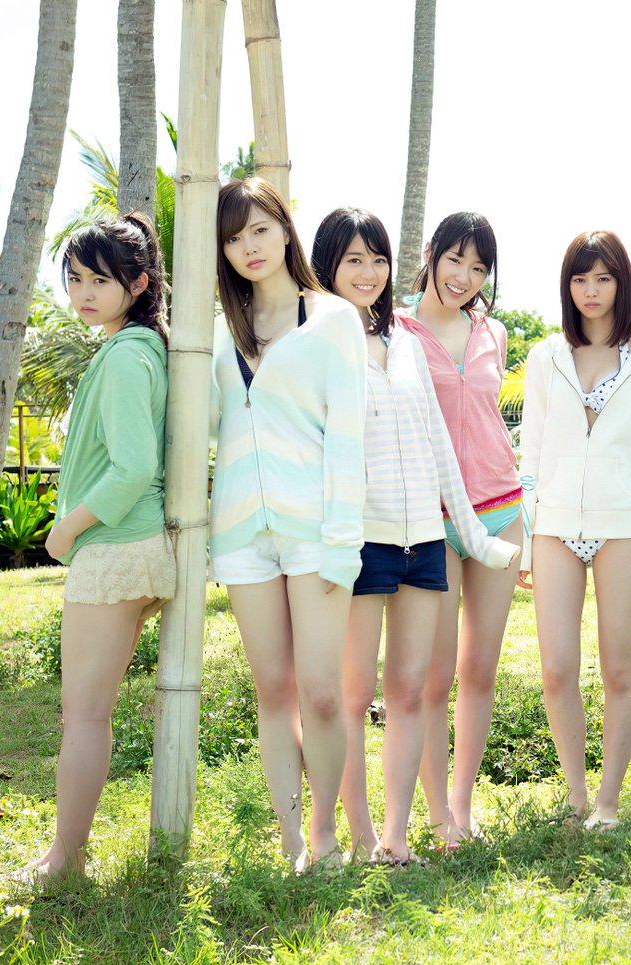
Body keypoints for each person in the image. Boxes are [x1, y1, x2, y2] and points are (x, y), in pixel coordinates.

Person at [310, 207, 518, 866]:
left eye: (377, 260)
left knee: (419, 686)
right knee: (367, 691)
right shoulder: (328, 339)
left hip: (441, 526)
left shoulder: (410, 339)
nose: (368, 272)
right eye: (354, 260)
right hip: (372, 535)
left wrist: (481, 534)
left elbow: (444, 439)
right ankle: (367, 832)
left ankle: (409, 832)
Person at [210, 177, 366, 871]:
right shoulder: (218, 331)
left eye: (260, 229)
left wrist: (343, 542)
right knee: (272, 691)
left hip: (316, 533)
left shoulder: (332, 318)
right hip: (241, 533)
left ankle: (326, 835)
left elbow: (348, 437)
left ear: (284, 230)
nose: (249, 246)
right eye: (233, 237)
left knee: (322, 692)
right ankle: (292, 841)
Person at [23, 214, 174, 881]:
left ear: (137, 284)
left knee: (82, 715)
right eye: (76, 277)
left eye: (100, 280)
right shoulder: (138, 348)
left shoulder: (125, 357)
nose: (83, 292)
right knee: (91, 713)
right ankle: (66, 852)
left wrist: (68, 528)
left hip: (116, 548)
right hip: (135, 547)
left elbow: (133, 467)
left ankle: (64, 859)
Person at [518, 231, 631, 829]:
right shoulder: (546, 356)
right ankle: (577, 796)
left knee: (619, 669)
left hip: (625, 526)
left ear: (621, 283)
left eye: (603, 278)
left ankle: (608, 803)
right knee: (556, 669)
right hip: (554, 526)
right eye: (580, 279)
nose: (591, 290)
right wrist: (528, 542)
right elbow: (531, 455)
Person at [400, 212, 524, 846]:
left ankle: (463, 806)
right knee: (435, 674)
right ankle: (435, 815)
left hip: (501, 507)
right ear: (431, 254)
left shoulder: (492, 332)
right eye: (455, 260)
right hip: (434, 516)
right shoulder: (395, 331)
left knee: (481, 669)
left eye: (478, 268)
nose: (464, 277)